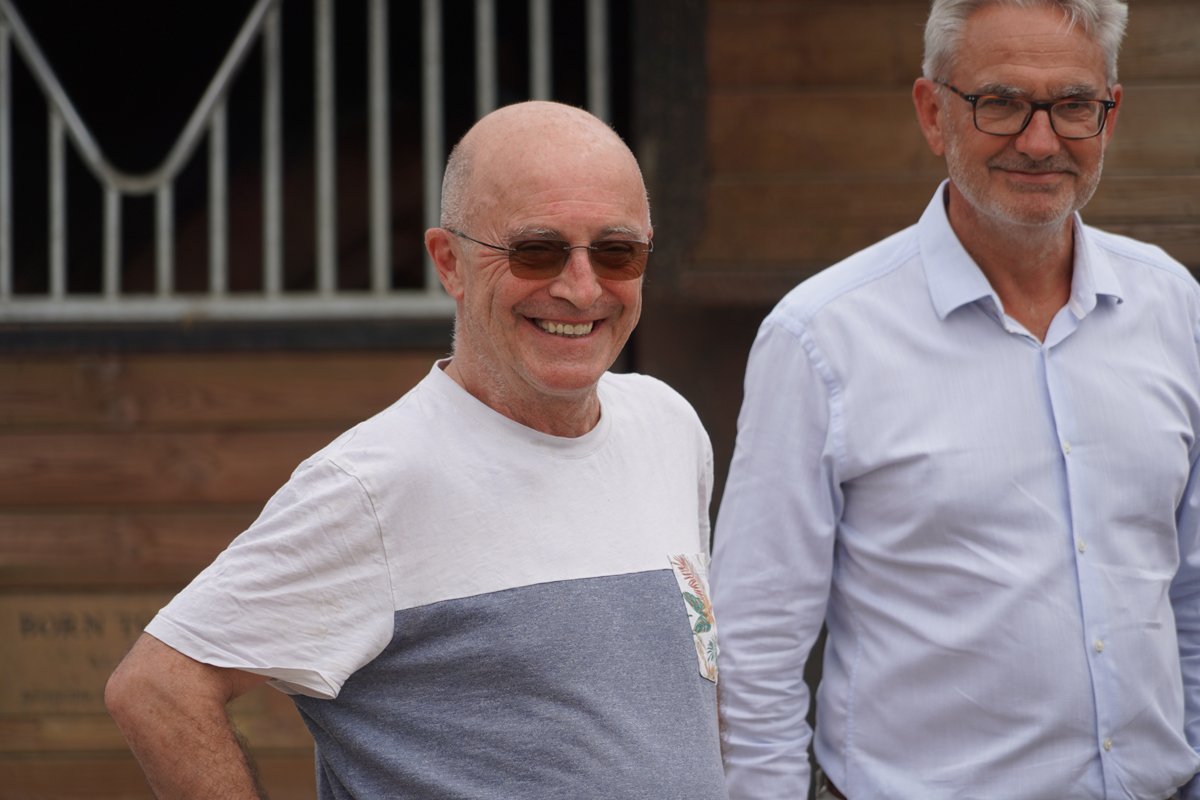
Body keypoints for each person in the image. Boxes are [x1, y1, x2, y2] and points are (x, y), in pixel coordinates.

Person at [105, 100, 726, 799]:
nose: (581, 289)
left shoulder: (667, 426)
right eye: (536, 251)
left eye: (616, 252)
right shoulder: (375, 484)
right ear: (449, 263)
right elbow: (157, 687)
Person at [710, 1, 1200, 798]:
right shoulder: (822, 338)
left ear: (1110, 114)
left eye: (1073, 104)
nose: (1039, 141)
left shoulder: (1172, 307)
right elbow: (754, 649)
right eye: (999, 102)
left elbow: (1193, 594)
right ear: (933, 113)